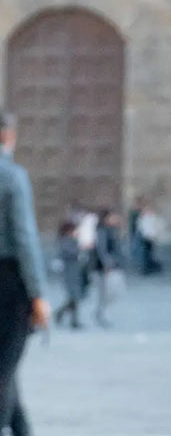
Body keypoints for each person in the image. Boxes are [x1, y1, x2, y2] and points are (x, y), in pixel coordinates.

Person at [0, 111, 49, 434]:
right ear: (8, 136)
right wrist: (38, 294)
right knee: (4, 369)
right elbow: (25, 239)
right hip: (9, 282)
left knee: (7, 369)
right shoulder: (11, 176)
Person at [53, 219, 84, 329]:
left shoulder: (73, 240)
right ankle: (74, 320)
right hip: (68, 272)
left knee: (74, 297)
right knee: (74, 297)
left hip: (74, 272)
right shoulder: (66, 241)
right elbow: (70, 253)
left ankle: (61, 314)